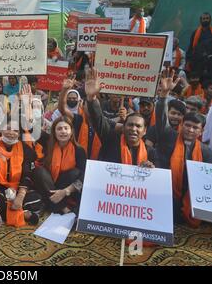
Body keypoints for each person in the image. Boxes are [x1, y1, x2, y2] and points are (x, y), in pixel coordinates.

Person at [157, 69, 212, 227]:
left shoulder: (206, 151)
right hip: (166, 196)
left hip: (191, 199)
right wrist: (164, 96)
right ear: (181, 125)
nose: (190, 130)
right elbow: (161, 117)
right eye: (187, 125)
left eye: (195, 128)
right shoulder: (169, 136)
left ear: (201, 131)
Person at [85, 68, 156, 166]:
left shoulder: (151, 153)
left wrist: (151, 170)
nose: (133, 129)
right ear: (123, 127)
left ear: (144, 131)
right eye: (130, 125)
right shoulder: (110, 140)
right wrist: (91, 98)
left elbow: (157, 176)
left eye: (138, 126)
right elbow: (98, 119)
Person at [0, 121, 43, 227]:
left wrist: (20, 197)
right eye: (8, 129)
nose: (11, 133)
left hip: (18, 188)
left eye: (15, 131)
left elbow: (27, 174)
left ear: (19, 134)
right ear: (1, 130)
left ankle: (5, 212)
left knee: (36, 199)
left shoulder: (25, 149)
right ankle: (23, 214)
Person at [32, 116, 86, 215]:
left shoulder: (79, 150)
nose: (63, 131)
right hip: (48, 183)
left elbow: (84, 176)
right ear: (54, 132)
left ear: (71, 131)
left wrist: (66, 191)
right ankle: (63, 207)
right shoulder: (47, 142)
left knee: (75, 173)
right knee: (38, 171)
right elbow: (32, 129)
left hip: (66, 188)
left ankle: (51, 204)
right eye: (59, 129)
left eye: (66, 128)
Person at [58, 77, 101, 160]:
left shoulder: (104, 124)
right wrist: (64, 90)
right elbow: (62, 108)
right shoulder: (79, 120)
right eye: (88, 106)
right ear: (82, 106)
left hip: (96, 163)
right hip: (77, 160)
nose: (91, 108)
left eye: (93, 106)